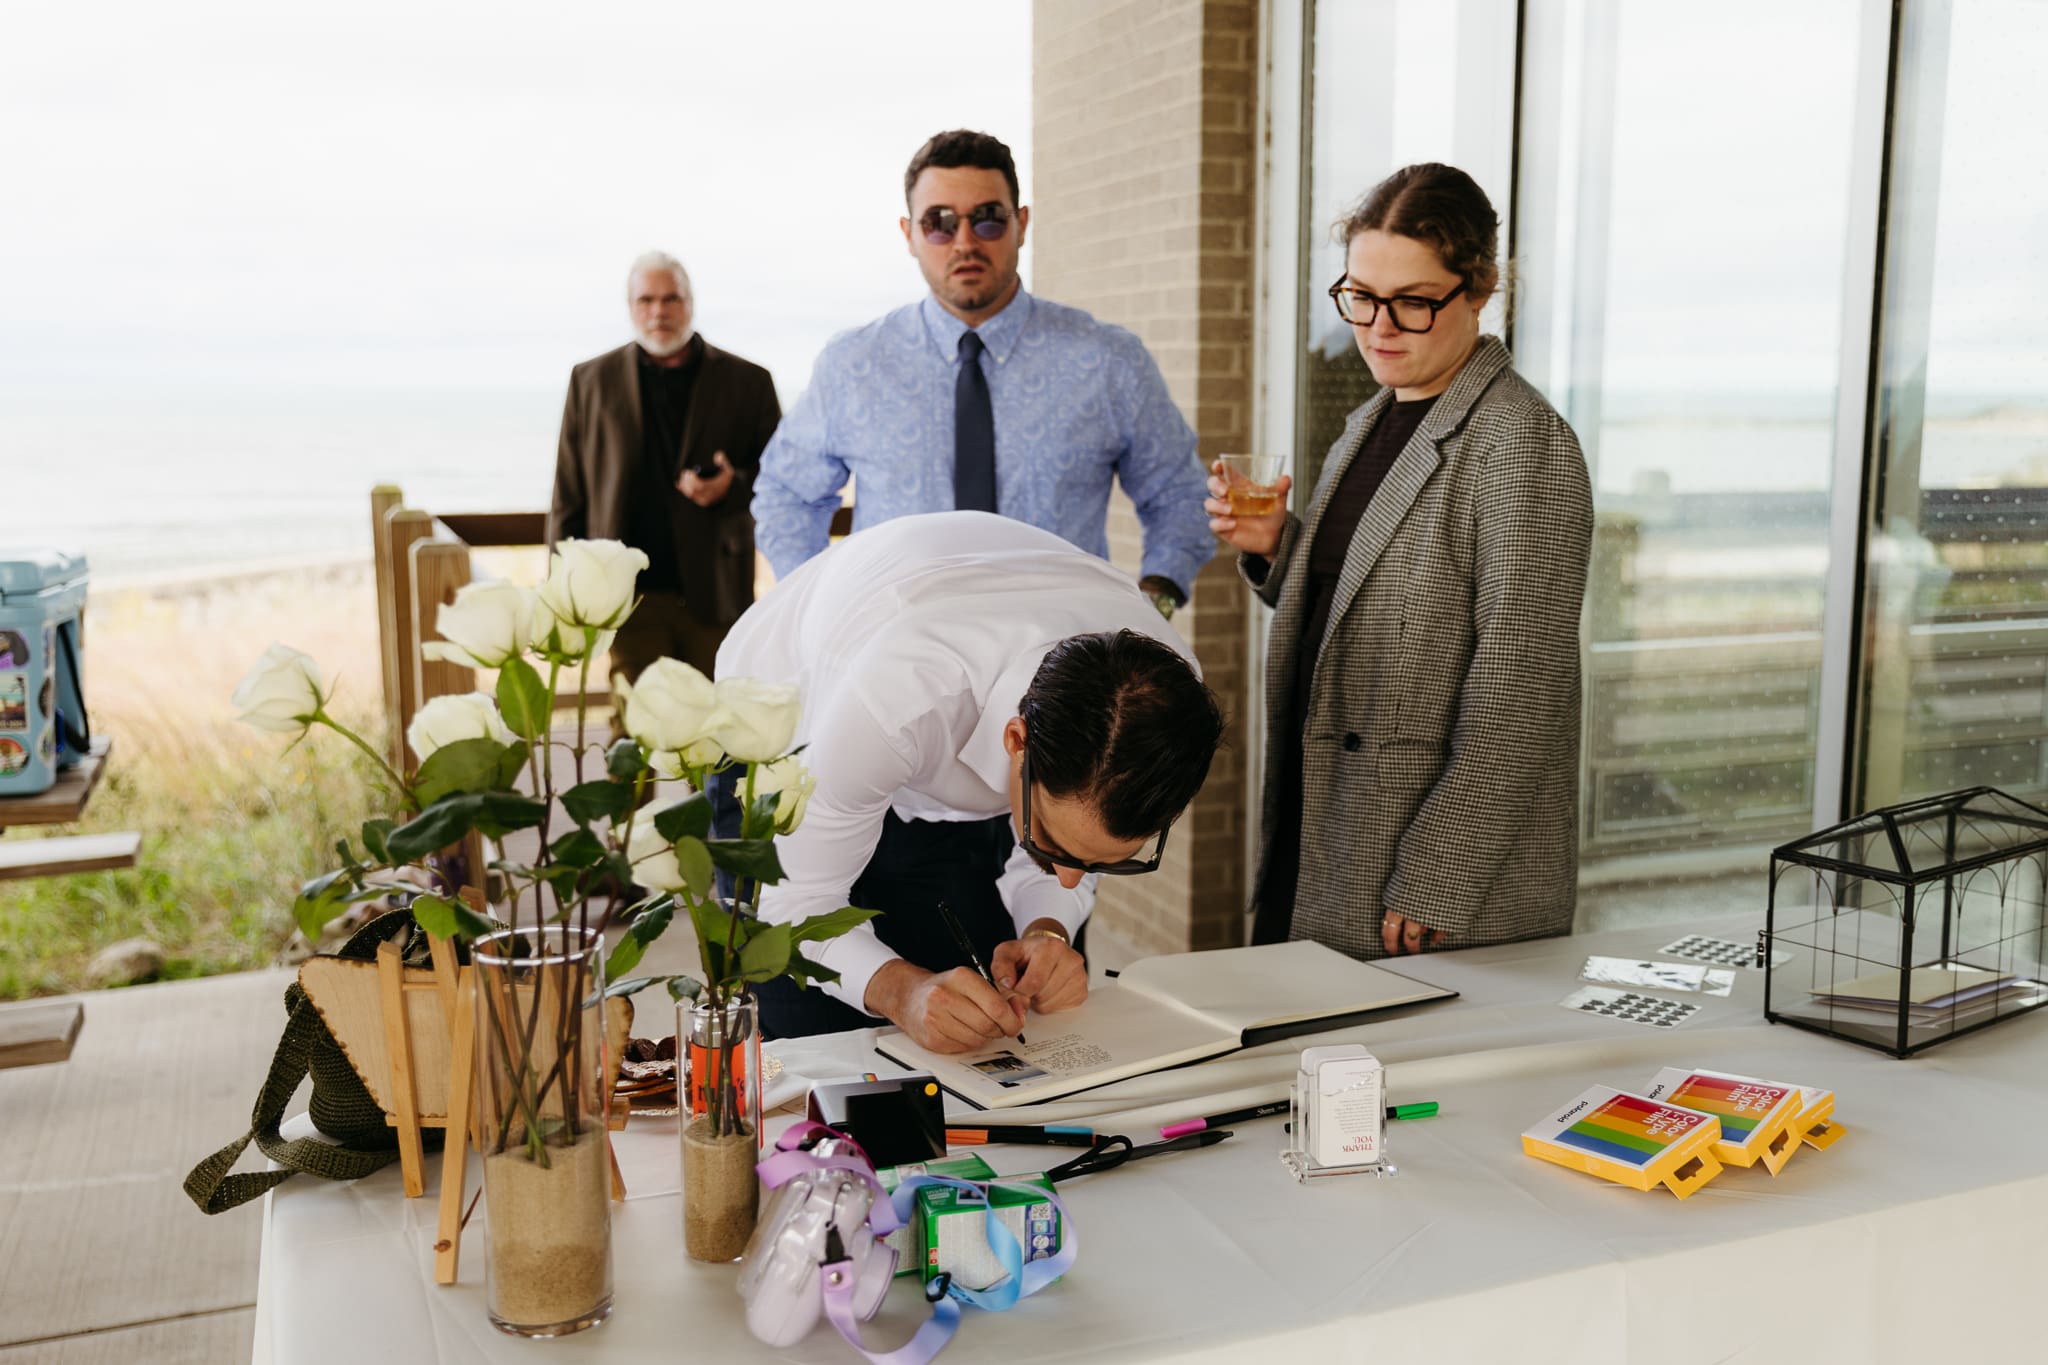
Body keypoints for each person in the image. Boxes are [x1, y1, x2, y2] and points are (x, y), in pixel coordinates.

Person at [1209, 163, 1592, 962]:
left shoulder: (1522, 442)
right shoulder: (1375, 419)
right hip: (1328, 821)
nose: (1380, 326)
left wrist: (1437, 875)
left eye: (1414, 302)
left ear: (1480, 288)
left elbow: (1520, 689)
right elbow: (1379, 600)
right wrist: (1283, 545)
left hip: (1419, 868)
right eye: (1360, 296)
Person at [716, 510, 1224, 1051]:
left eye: (1103, 861)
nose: (1073, 882)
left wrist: (1047, 929)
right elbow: (795, 905)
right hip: (781, 734)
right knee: (810, 1035)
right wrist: (898, 990)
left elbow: (1076, 843)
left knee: (988, 1027)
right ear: (1017, 740)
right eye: (1051, 843)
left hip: (925, 760)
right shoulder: (899, 695)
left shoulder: (1164, 705)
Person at [750, 129, 1213, 621]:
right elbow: (787, 495)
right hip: (891, 656)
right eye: (939, 222)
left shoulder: (1108, 360)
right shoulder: (853, 364)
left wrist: (1153, 602)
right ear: (909, 234)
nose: (965, 241)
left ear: (1022, 224)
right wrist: (822, 609)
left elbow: (1180, 496)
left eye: (989, 219)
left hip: (1061, 658)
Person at [548, 251, 781, 685]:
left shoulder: (749, 382)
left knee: (720, 727)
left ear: (691, 303)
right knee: (635, 736)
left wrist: (733, 487)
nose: (659, 311)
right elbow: (568, 495)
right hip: (625, 597)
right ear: (631, 307)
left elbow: (784, 482)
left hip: (716, 591)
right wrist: (562, 596)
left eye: (671, 299)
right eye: (646, 300)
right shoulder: (590, 381)